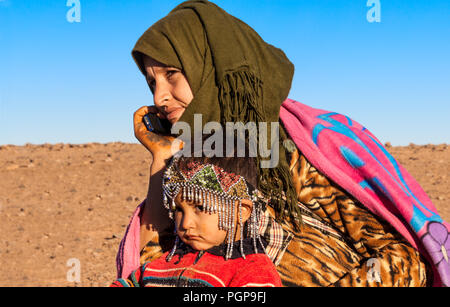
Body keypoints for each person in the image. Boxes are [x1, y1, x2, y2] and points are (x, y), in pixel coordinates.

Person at [117, 0, 450, 287]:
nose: (160, 96)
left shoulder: (291, 150)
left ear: (210, 66)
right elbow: (155, 269)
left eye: (172, 74)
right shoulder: (189, 165)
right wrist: (161, 159)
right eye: (151, 82)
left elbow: (404, 263)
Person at [112, 155, 282, 287]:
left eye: (200, 208)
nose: (185, 224)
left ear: (241, 211)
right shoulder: (165, 262)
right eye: (178, 209)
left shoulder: (254, 273)